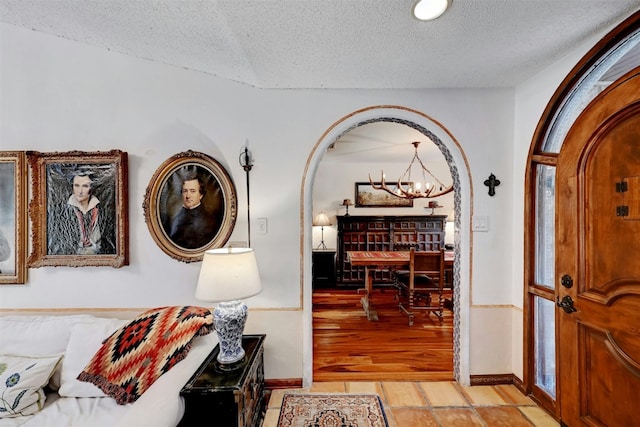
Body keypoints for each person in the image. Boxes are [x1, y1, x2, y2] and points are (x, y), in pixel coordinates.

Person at [169, 173, 217, 249]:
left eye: (192, 191)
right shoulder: (174, 220)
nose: (188, 196)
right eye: (185, 191)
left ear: (201, 195)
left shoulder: (210, 221)